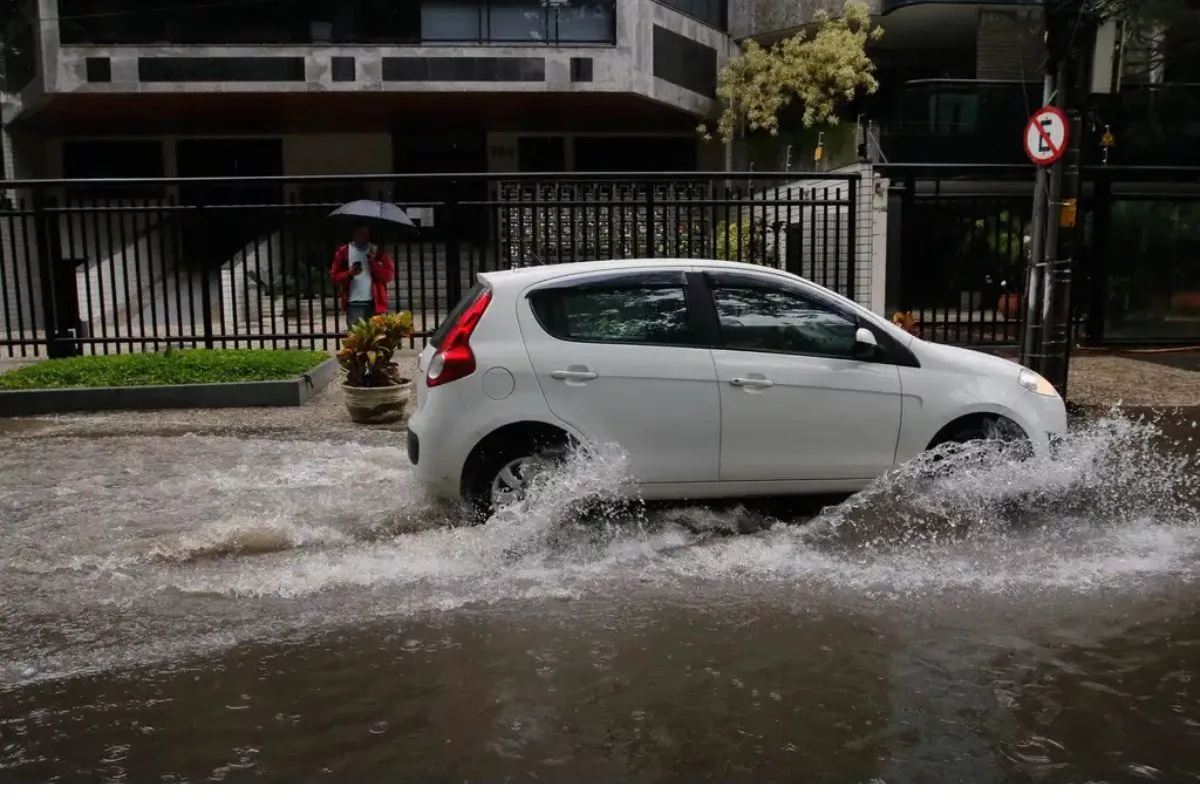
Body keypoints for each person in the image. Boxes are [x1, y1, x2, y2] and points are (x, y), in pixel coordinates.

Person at [330, 223, 396, 330]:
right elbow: (334, 277)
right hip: (353, 302)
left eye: (366, 233)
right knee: (356, 339)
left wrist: (373, 262)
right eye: (360, 233)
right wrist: (349, 274)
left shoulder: (377, 252)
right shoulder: (343, 252)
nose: (364, 236)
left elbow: (388, 276)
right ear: (353, 234)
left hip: (375, 303)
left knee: (377, 337)